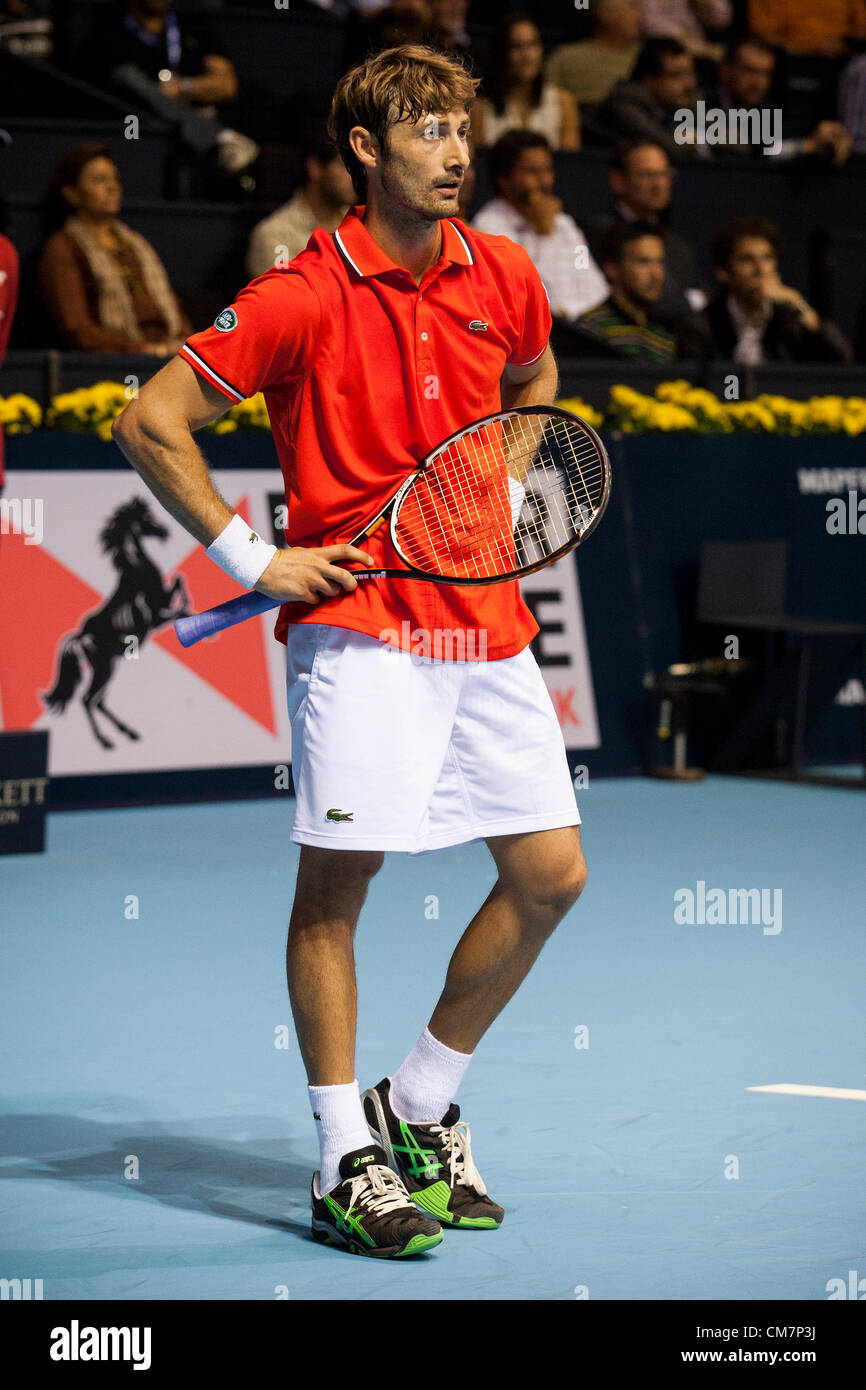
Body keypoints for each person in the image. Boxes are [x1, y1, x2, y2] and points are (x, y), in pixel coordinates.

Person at [112, 43, 587, 1259]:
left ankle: (416, 1104)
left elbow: (533, 379)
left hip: (482, 618)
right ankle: (340, 1155)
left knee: (549, 875)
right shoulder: (299, 292)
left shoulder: (505, 273)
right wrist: (248, 557)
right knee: (342, 884)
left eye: (460, 128)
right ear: (365, 151)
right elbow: (149, 418)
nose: (456, 151)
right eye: (427, 131)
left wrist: (503, 494)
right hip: (363, 628)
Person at [37, 144, 190, 355]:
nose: (112, 187)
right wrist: (144, 349)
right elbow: (78, 330)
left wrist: (188, 347)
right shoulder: (63, 247)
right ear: (71, 194)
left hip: (166, 355)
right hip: (115, 365)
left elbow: (173, 309)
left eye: (114, 179)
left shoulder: (135, 243)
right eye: (99, 180)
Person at [78, 0, 258, 178]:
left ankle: (212, 139)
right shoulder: (109, 32)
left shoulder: (192, 24)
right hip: (141, 131)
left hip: (200, 121)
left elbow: (227, 86)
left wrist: (183, 88)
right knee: (129, 79)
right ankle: (219, 138)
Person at [472, 130, 607, 321]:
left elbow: (589, 278)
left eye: (547, 170)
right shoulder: (488, 227)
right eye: (532, 172)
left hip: (585, 327)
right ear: (504, 180)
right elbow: (523, 295)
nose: (544, 181)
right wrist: (542, 231)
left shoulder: (563, 224)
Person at [681, 216, 852, 361]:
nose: (760, 269)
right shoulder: (702, 327)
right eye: (747, 260)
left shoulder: (790, 321)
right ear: (723, 272)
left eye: (767, 258)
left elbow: (842, 359)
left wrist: (799, 305)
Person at [588, 139, 706, 325]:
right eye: (647, 174)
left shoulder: (679, 247)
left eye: (664, 174)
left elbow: (698, 301)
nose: (659, 184)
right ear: (618, 181)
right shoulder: (596, 234)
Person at [702, 35, 852, 164]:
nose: (758, 83)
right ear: (725, 69)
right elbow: (754, 151)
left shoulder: (765, 108)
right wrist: (806, 145)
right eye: (750, 71)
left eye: (766, 74)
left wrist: (824, 143)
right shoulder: (701, 102)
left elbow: (777, 145)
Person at [246, 130, 354, 279]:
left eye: (358, 167)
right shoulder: (275, 234)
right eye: (344, 165)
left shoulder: (364, 223)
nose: (355, 176)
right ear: (314, 167)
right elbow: (282, 297)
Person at [472, 14, 580, 150]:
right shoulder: (479, 109)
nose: (527, 55)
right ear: (501, 53)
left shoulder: (564, 102)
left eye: (533, 44)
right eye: (516, 46)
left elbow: (571, 165)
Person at [578, 221, 679, 360]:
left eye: (660, 262)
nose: (657, 274)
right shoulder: (589, 330)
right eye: (643, 262)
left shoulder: (666, 336)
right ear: (611, 268)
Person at [592, 37, 702, 156]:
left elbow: (720, 135)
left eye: (690, 73)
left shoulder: (681, 99)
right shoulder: (624, 105)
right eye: (677, 75)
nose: (690, 84)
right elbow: (671, 148)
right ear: (649, 80)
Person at [545, 0, 642, 119]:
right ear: (605, 14)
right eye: (632, 8)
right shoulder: (566, 57)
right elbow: (544, 101)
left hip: (639, 126)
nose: (640, 16)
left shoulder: (649, 55)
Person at [747, 0, 866, 57]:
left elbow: (861, 29)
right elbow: (762, 31)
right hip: (785, 58)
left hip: (842, 59)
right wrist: (800, 47)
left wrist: (845, 45)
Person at [639, 0, 732, 61]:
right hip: (665, 50)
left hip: (702, 49)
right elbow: (649, 22)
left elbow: (723, 19)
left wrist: (708, 4)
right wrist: (701, 47)